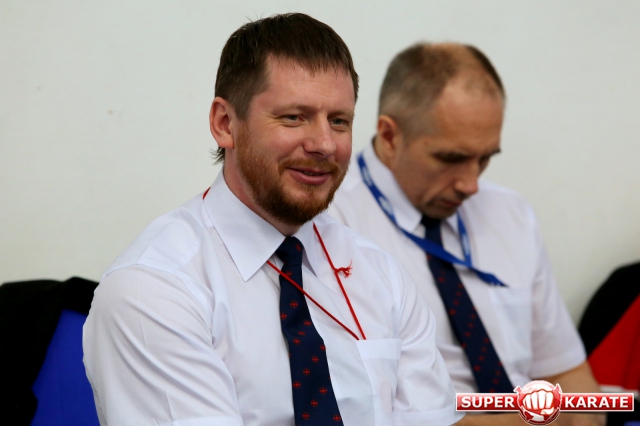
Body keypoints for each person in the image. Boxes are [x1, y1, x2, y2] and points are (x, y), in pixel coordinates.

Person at [83, 15, 461, 426]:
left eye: (339, 121)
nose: (324, 144)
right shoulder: (153, 289)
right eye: (294, 117)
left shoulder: (382, 275)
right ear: (225, 124)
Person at [328, 42, 605, 426]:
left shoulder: (510, 213)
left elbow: (567, 374)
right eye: (452, 158)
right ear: (390, 136)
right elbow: (371, 411)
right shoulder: (328, 224)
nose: (471, 185)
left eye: (485, 158)